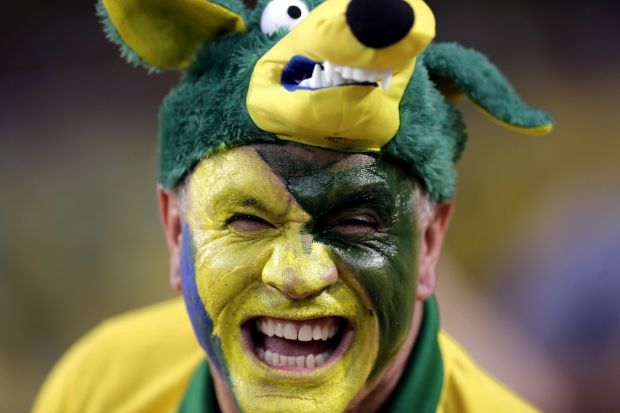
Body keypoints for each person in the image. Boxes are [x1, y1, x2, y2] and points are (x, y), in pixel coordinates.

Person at [32, 0, 553, 411]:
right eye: (248, 220)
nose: (298, 277)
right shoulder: (97, 389)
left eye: (355, 223)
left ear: (430, 245)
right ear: (175, 231)